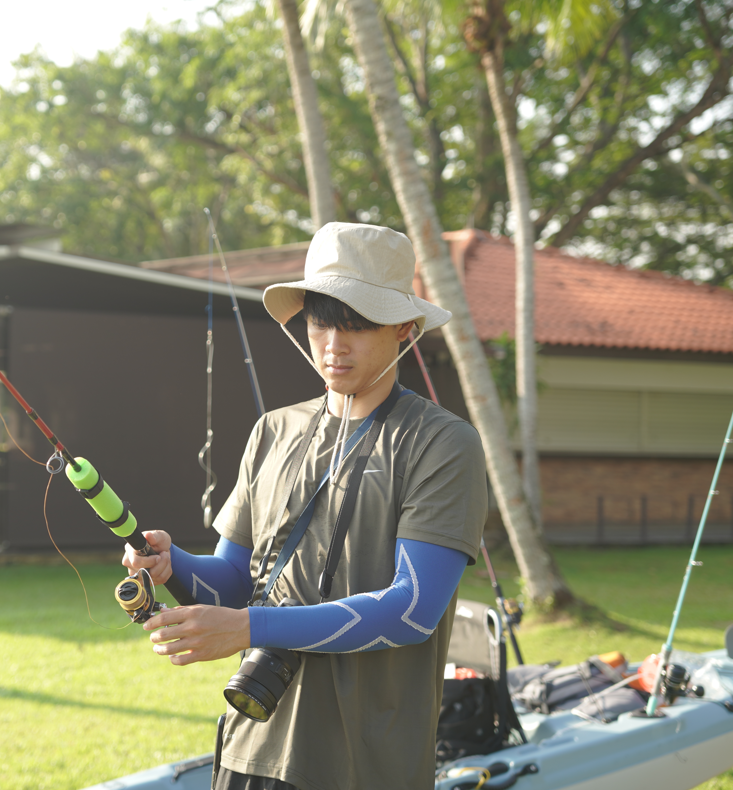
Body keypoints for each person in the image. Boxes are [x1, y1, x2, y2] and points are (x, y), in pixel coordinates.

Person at [122, 223, 488, 790]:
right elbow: (234, 581)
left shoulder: (441, 442)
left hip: (366, 767)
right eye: (321, 322)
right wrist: (175, 566)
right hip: (252, 749)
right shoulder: (273, 430)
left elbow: (412, 610)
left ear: (405, 330)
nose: (334, 345)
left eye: (358, 325)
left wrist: (248, 627)